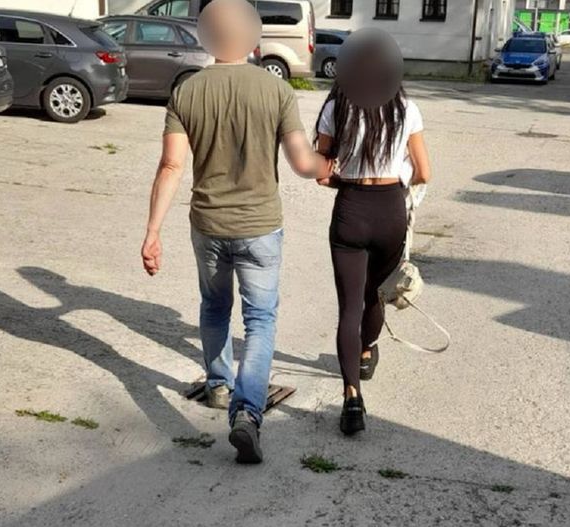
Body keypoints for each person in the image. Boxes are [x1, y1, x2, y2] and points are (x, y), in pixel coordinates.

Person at [141, 0, 333, 464]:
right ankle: (247, 413)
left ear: (207, 35)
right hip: (260, 226)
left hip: (208, 224)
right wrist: (330, 167)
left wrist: (152, 232)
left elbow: (171, 166)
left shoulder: (187, 91)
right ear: (252, 35)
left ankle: (218, 386)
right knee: (260, 319)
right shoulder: (275, 89)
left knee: (214, 307)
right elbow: (302, 162)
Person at [314, 71, 432, 436]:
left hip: (351, 208)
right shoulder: (406, 109)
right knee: (376, 296)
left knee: (349, 308)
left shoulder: (336, 108)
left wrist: (346, 180)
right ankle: (366, 352)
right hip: (390, 209)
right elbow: (424, 172)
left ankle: (352, 396)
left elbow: (321, 174)